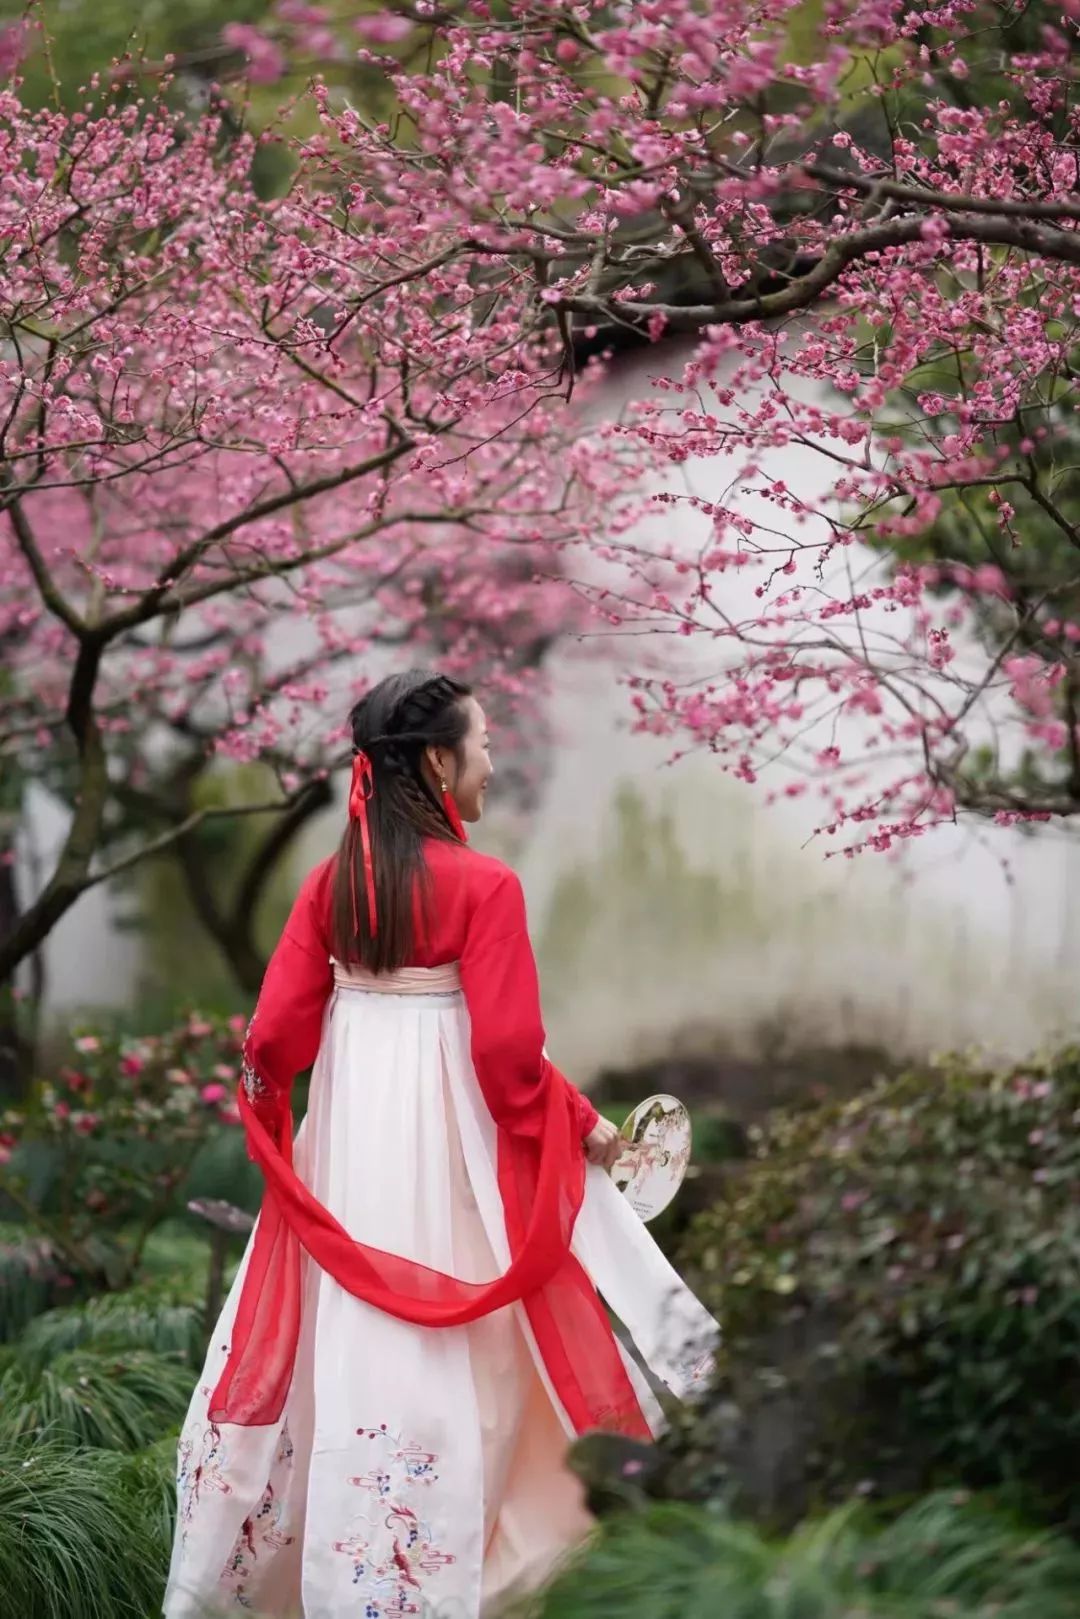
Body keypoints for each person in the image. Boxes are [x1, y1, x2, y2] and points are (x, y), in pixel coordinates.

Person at [164, 670, 718, 1619]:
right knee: (478, 1364)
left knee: (344, 1349)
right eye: (486, 744)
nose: (494, 764)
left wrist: (279, 1127)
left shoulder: (332, 886)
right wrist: (583, 1128)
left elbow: (271, 1042)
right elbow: (507, 1065)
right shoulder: (485, 885)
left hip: (349, 1164)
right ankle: (464, 1576)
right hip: (453, 1161)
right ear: (437, 759)